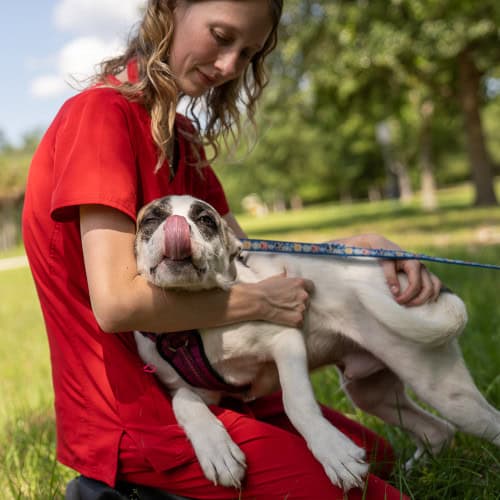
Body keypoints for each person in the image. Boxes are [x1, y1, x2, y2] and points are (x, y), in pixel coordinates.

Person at [22, 1, 441, 498]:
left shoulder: (184, 137)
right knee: (367, 495)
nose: (228, 67)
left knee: (376, 457)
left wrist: (361, 249)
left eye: (247, 53)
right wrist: (261, 303)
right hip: (134, 410)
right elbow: (118, 305)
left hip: (213, 373)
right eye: (221, 37)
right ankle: (120, 490)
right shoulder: (99, 116)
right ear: (171, 9)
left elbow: (249, 257)